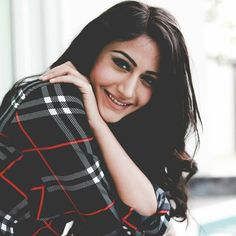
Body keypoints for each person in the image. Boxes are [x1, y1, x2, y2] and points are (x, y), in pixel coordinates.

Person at [0, 1, 201, 235]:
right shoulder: (51, 102)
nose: (127, 90)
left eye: (148, 80)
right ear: (94, 51)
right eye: (121, 64)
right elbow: (119, 224)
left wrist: (98, 124)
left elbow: (147, 214)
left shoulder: (96, 119)